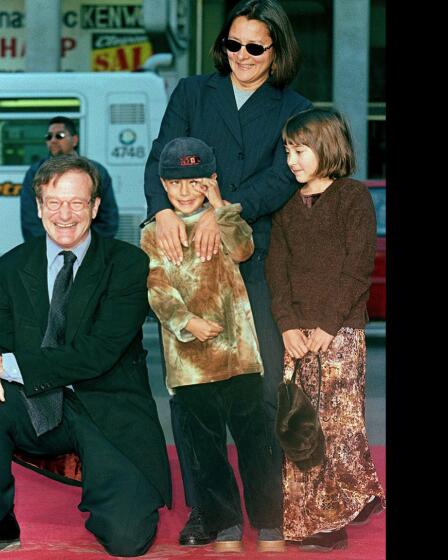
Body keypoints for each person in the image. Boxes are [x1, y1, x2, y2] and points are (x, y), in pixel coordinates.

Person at [0, 155, 172, 557]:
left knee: (128, 541)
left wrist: (3, 364)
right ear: (40, 207)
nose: (65, 214)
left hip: (106, 407)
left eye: (77, 203)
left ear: (95, 207)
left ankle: (110, 492)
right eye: (54, 203)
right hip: (37, 404)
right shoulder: (9, 268)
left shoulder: (128, 265)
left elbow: (96, 354)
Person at [141, 0, 311, 546]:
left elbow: (283, 179)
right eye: (233, 44)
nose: (241, 55)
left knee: (260, 393)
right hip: (186, 267)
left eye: (255, 47)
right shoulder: (192, 93)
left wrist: (223, 210)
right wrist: (162, 211)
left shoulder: (295, 107)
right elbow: (158, 158)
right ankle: (210, 513)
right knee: (194, 399)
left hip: (254, 261)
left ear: (277, 51)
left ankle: (269, 511)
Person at [141, 137, 284, 553]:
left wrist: (221, 206)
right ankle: (225, 525)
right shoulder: (153, 234)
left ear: (212, 181)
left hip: (240, 357)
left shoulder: (224, 219)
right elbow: (157, 289)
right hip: (189, 363)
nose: (186, 192)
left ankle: (270, 522)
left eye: (197, 182)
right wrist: (186, 321)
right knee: (206, 452)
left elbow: (244, 248)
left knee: (257, 444)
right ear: (163, 186)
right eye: (176, 184)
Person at [265, 108, 386, 551]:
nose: (292, 160)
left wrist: (328, 326)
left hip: (340, 333)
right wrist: (287, 326)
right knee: (298, 424)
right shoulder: (285, 205)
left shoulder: (352, 197)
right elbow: (276, 269)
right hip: (295, 337)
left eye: (300, 150)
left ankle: (333, 518)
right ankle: (302, 521)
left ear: (327, 148)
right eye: (287, 151)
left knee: (336, 426)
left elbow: (357, 269)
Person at [20, 116, 119, 240]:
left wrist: (89, 248)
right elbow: (30, 220)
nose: (53, 140)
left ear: (75, 140)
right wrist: (45, 251)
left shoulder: (96, 171)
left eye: (59, 135)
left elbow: (108, 218)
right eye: (49, 137)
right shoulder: (35, 173)